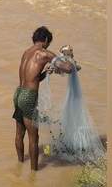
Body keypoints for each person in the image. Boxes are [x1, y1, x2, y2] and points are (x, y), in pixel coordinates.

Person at [14, 26, 74, 171]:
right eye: (48, 43)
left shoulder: (26, 52)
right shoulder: (44, 54)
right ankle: (34, 173)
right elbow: (68, 69)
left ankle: (20, 165)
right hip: (28, 97)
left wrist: (45, 73)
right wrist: (69, 59)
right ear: (46, 40)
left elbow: (31, 78)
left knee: (19, 133)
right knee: (34, 138)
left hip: (18, 93)